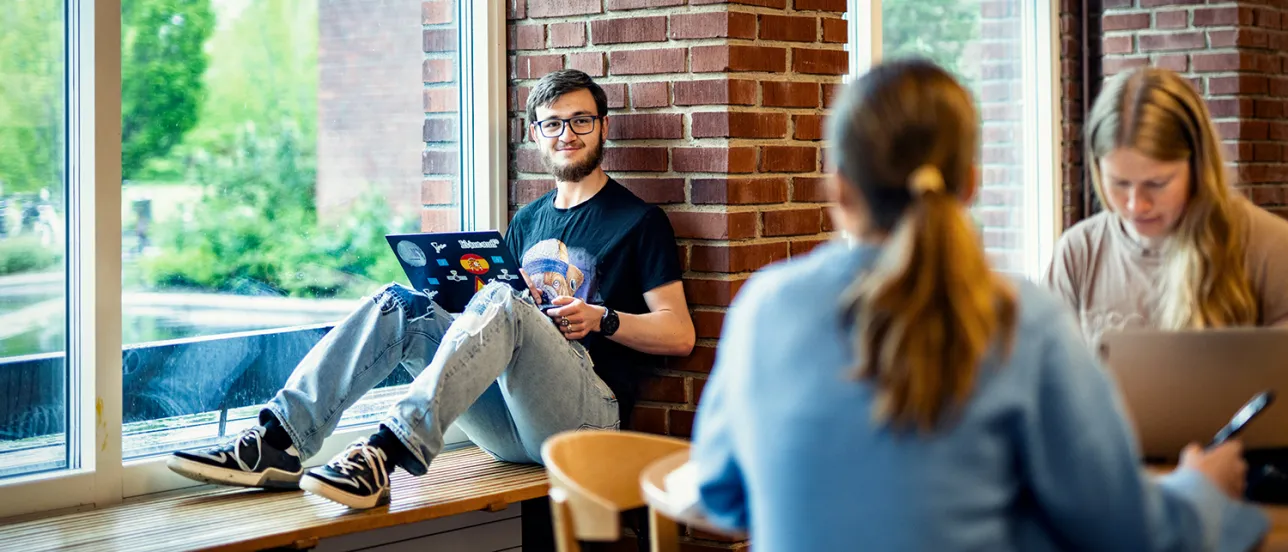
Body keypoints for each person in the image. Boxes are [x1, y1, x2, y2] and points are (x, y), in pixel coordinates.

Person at [688, 58, 1268, 551]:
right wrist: (1199, 493)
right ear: (970, 184)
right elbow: (1120, 530)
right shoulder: (1024, 320)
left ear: (838, 186)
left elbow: (721, 491)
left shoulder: (762, 307)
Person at [167, 69, 695, 509]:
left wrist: (602, 318)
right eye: (553, 123)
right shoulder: (528, 220)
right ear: (535, 134)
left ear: (602, 128)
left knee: (504, 301)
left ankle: (383, 452)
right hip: (510, 424)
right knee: (401, 304)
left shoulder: (638, 220)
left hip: (587, 421)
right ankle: (279, 440)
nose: (568, 133)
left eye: (581, 120)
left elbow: (679, 335)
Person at [1046, 66, 1288, 346]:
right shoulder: (1078, 254)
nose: (1136, 205)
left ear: (1198, 168)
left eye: (1157, 183)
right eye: (1120, 183)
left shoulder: (1269, 246)